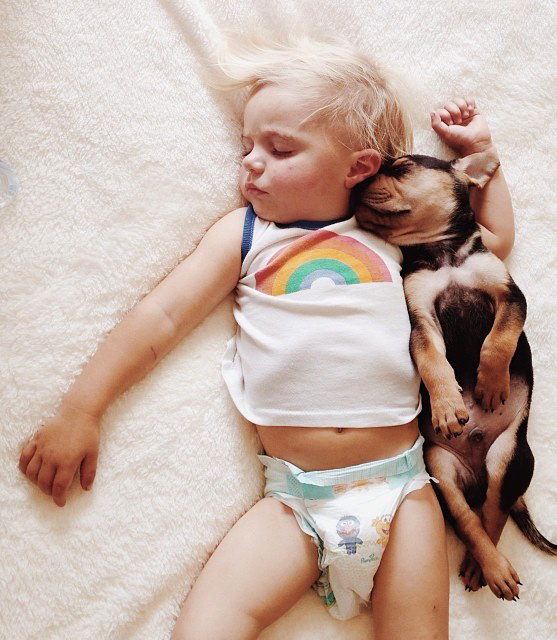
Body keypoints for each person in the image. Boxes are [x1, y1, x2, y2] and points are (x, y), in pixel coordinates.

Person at [19, 37, 514, 640]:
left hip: (402, 490)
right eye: (246, 146)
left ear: (358, 167)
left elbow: (493, 241)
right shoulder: (248, 235)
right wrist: (81, 409)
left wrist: (480, 155)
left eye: (279, 149)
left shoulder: (395, 238)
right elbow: (162, 318)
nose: (250, 163)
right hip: (294, 499)